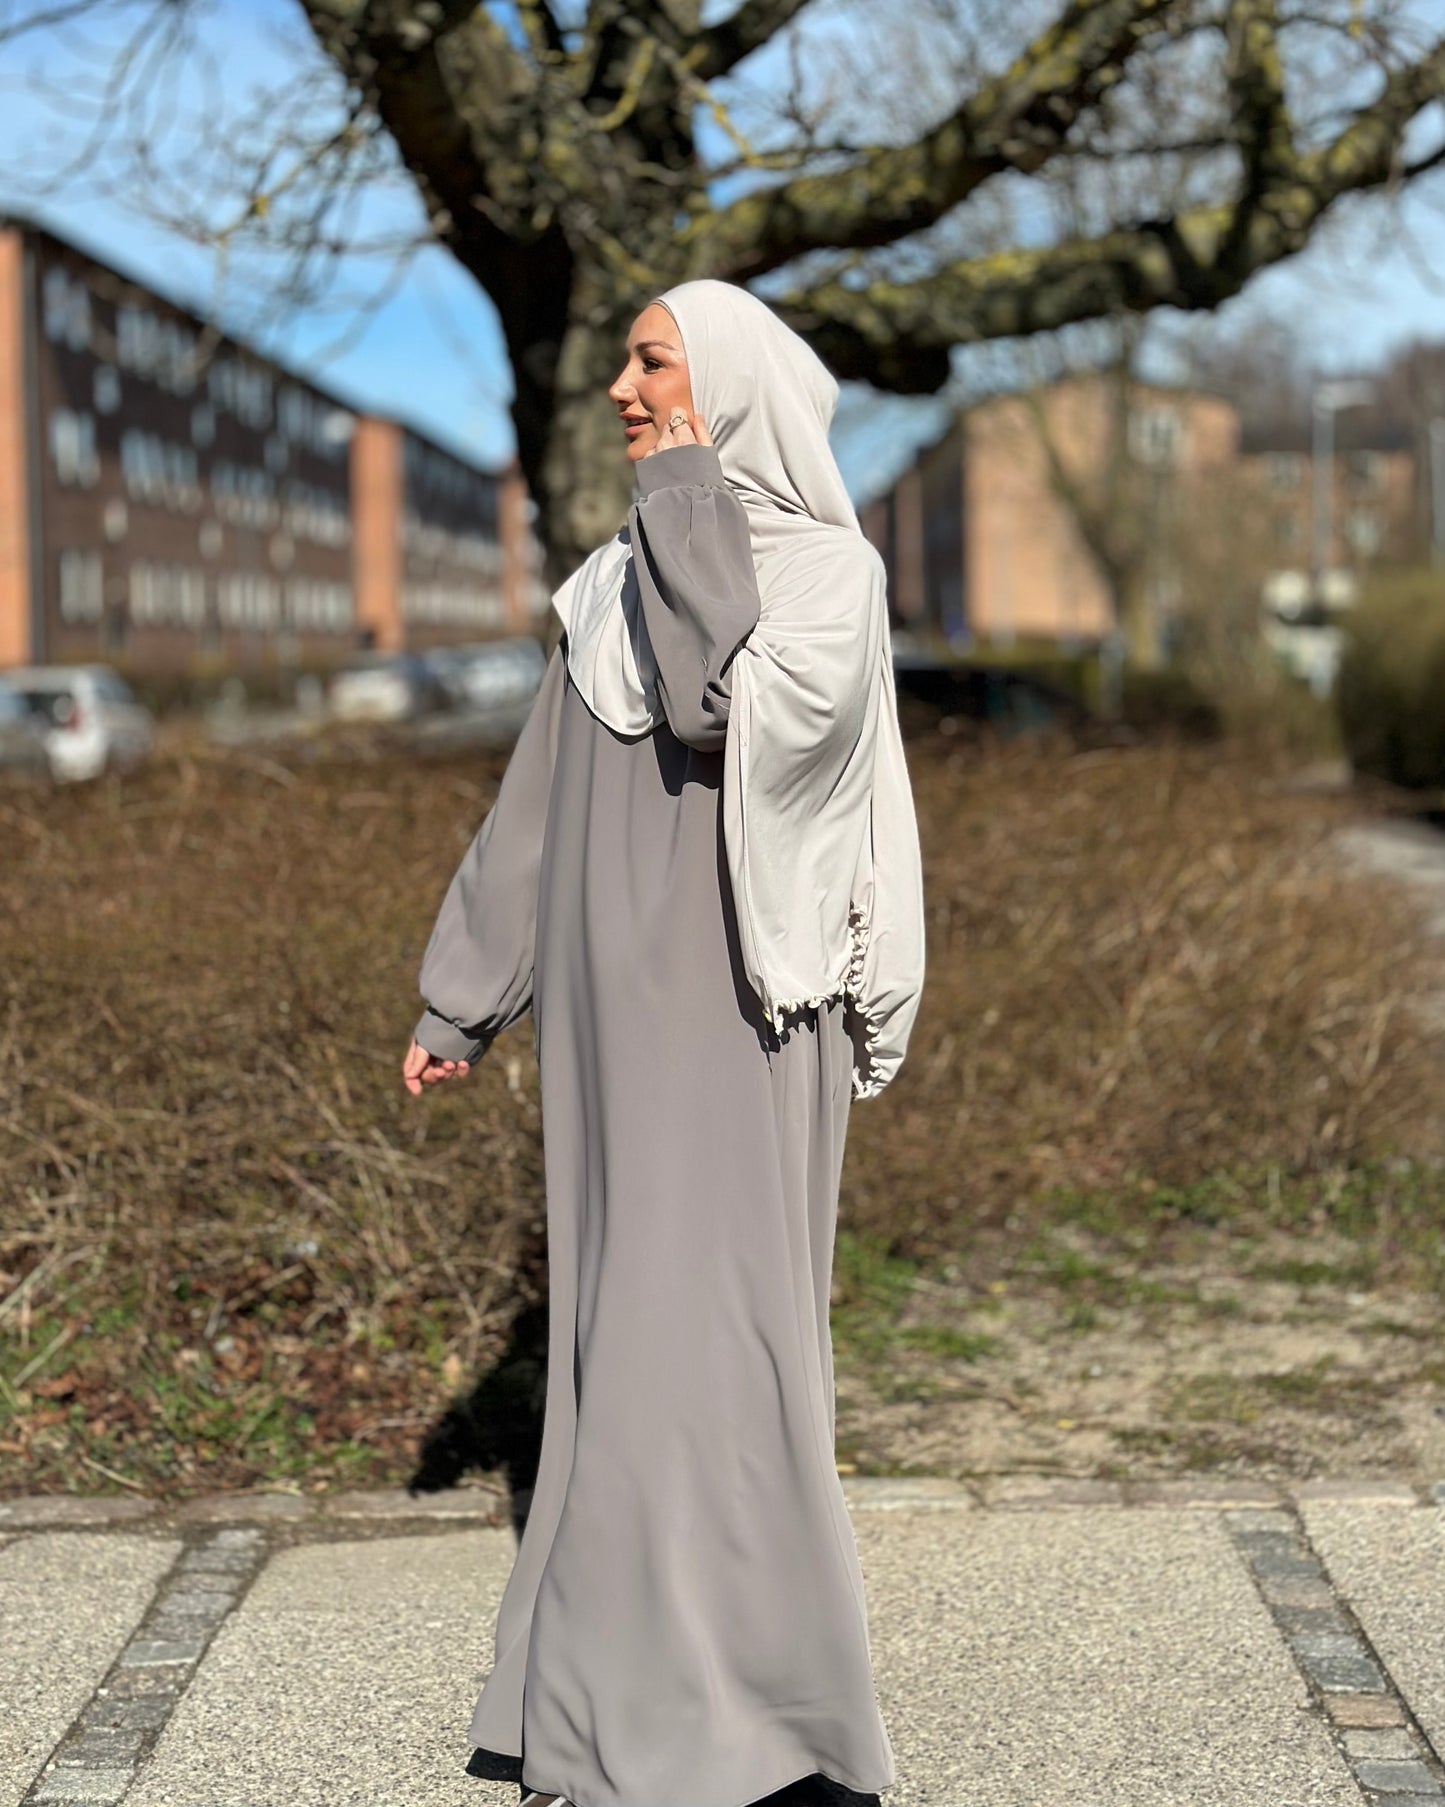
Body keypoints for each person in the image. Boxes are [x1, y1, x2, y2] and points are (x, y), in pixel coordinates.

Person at [402, 278, 925, 1807]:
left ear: (739, 387)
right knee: (616, 1347)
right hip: (606, 1023)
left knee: (725, 1353)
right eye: (625, 366)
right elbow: (531, 809)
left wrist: (688, 499)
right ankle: (604, 1713)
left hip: (748, 1017)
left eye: (656, 364)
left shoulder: (828, 577)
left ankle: (767, 1719)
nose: (625, 391)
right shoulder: (603, 585)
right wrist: (462, 996)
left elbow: (714, 707)